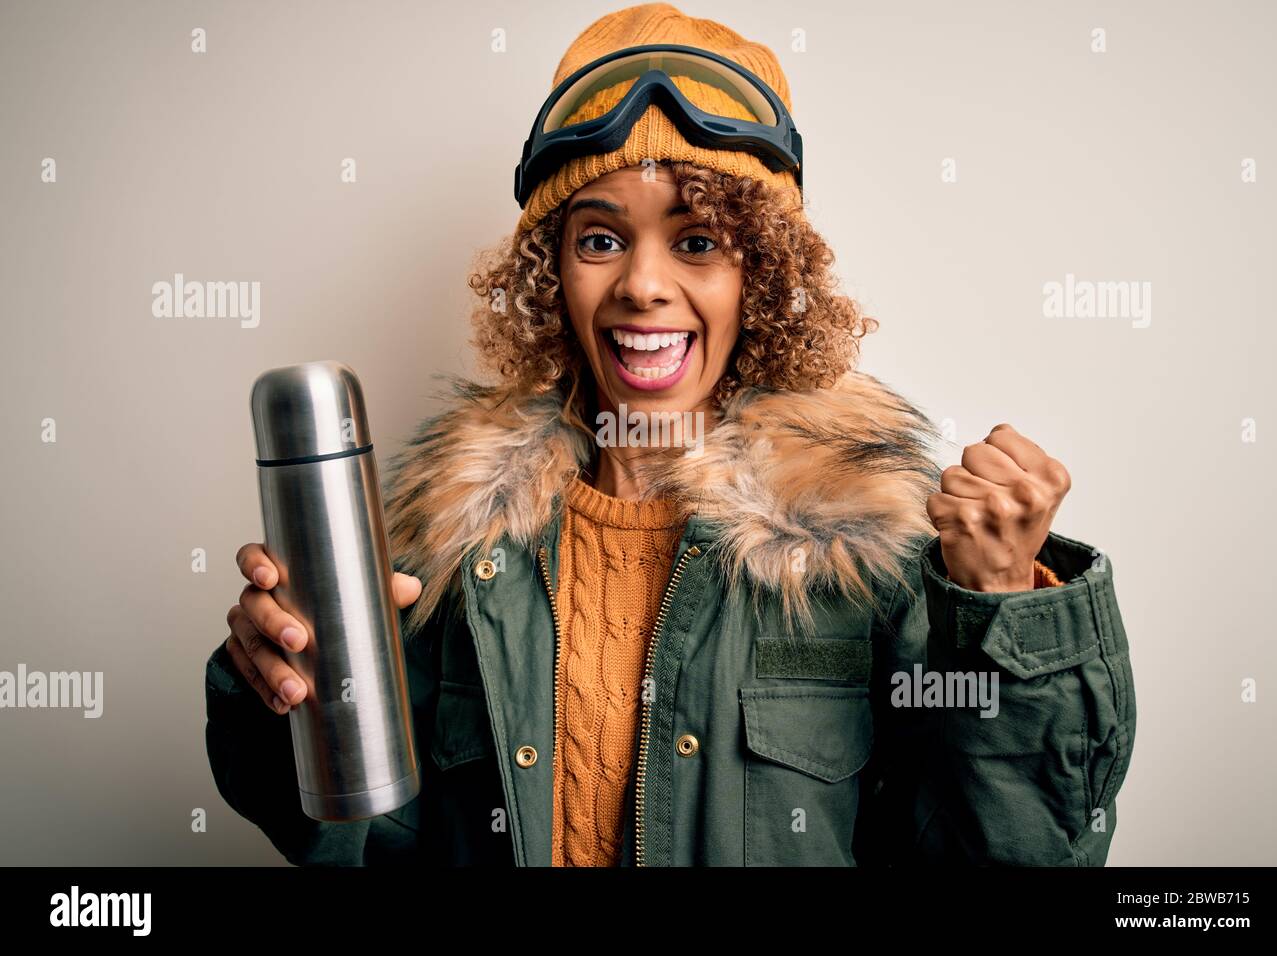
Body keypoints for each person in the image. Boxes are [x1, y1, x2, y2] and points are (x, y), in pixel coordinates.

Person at [204, 2, 1136, 866]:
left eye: (697, 242)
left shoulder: (868, 551)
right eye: (600, 239)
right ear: (552, 273)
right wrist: (279, 695)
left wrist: (1010, 614)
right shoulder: (450, 547)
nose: (643, 284)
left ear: (759, 279)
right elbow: (359, 842)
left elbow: (1013, 855)